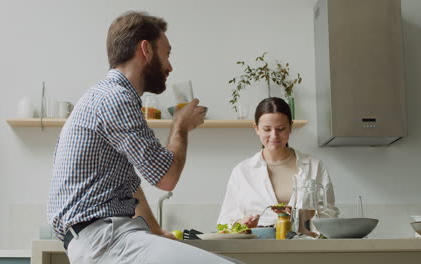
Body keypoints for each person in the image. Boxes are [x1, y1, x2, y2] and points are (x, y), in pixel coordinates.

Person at [47, 11, 242, 264]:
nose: (170, 66)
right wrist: (180, 127)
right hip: (105, 240)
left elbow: (130, 184)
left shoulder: (103, 97)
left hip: (100, 238)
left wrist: (155, 230)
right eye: (167, 54)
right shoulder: (116, 98)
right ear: (146, 49)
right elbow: (166, 177)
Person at [217, 97, 339, 237]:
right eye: (267, 129)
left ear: (290, 127)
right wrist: (241, 224)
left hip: (305, 248)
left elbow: (330, 215)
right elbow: (224, 222)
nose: (274, 136)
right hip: (257, 250)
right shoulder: (242, 172)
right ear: (256, 128)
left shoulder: (314, 166)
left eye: (281, 129)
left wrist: (302, 215)